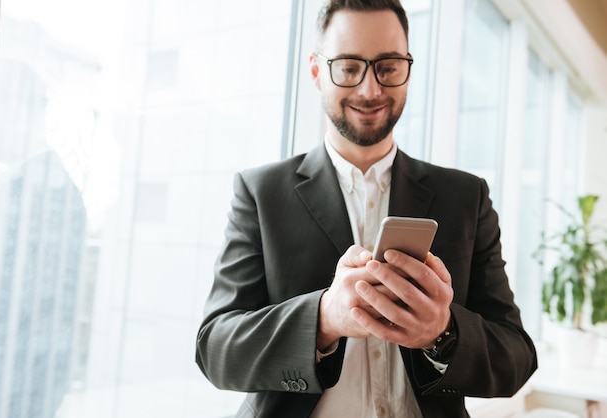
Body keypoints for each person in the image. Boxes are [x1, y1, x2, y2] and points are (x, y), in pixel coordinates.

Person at [195, 0, 537, 416]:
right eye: (349, 67)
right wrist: (323, 319)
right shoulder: (260, 192)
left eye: (388, 67)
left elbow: (517, 356)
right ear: (318, 71)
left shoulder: (467, 197)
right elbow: (215, 349)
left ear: (408, 70)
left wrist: (443, 333)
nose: (370, 89)